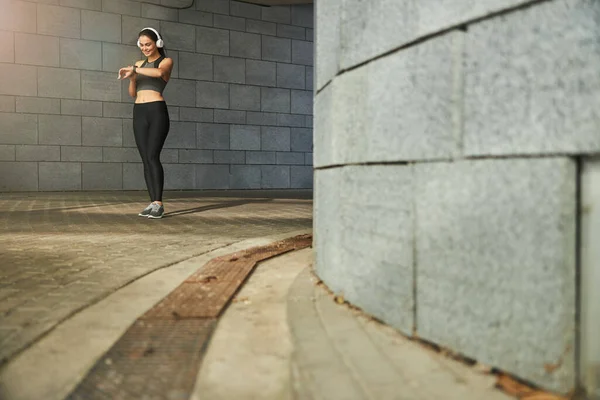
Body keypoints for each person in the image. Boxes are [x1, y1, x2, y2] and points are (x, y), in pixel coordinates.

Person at [118, 27, 174, 219]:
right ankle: (152, 203)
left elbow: (159, 74)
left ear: (158, 43)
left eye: (148, 44)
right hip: (139, 111)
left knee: (152, 156)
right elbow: (133, 93)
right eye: (141, 45)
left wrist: (134, 69)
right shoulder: (139, 63)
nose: (145, 48)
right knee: (145, 158)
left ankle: (159, 203)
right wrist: (133, 77)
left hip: (156, 111)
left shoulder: (165, 61)